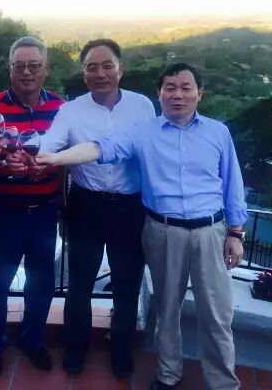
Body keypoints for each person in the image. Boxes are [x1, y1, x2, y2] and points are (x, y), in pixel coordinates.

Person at [35, 63, 247, 390]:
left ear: (199, 93)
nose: (178, 95)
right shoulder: (142, 132)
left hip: (210, 232)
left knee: (217, 315)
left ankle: (223, 384)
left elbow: (233, 182)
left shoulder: (218, 132)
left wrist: (236, 232)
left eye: (186, 88)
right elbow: (98, 148)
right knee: (166, 310)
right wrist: (53, 158)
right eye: (170, 88)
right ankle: (168, 375)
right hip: (163, 231)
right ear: (159, 94)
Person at [39, 39, 155, 378]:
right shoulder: (71, 110)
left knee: (127, 283)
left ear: (121, 69)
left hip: (130, 207)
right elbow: (49, 145)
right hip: (86, 204)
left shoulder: (142, 106)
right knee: (79, 283)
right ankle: (76, 348)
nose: (100, 73)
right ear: (83, 73)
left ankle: (121, 350)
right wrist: (33, 154)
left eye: (107, 66)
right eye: (92, 67)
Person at [0, 37, 65, 377]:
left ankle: (33, 340)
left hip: (44, 211)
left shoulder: (61, 109)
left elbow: (68, 156)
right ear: (10, 69)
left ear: (46, 69)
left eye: (34, 65)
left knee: (40, 283)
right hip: (2, 211)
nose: (27, 72)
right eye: (19, 66)